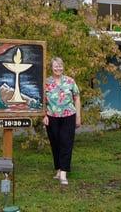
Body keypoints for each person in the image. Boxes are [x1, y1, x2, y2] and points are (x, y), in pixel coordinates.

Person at [43, 57, 81, 186]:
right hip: (51, 116)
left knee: (66, 142)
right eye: (55, 66)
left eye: (60, 66)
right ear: (51, 68)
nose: (58, 68)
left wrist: (78, 117)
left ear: (63, 67)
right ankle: (58, 169)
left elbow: (77, 98)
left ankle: (64, 172)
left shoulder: (70, 81)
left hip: (68, 116)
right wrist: (44, 115)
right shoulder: (46, 82)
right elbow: (42, 101)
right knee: (55, 143)